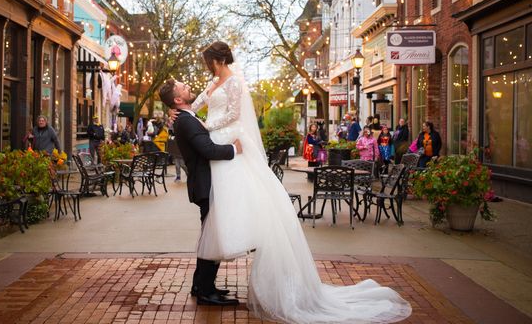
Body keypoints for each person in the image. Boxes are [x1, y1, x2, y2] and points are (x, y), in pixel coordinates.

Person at [168, 41, 411, 323]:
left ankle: (207, 283)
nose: (205, 65)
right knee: (215, 219)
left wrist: (205, 126)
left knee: (225, 215)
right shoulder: (213, 81)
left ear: (217, 59)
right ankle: (205, 284)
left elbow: (233, 114)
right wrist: (183, 114)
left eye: (207, 60)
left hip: (227, 141)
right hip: (218, 147)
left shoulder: (234, 82)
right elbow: (196, 105)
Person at [158, 78, 242, 307]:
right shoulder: (185, 121)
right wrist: (235, 149)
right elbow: (208, 150)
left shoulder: (185, 117)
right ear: (178, 99)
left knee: (210, 235)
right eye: (183, 87)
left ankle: (202, 285)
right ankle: (205, 291)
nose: (188, 86)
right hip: (206, 184)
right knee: (213, 237)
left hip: (206, 183)